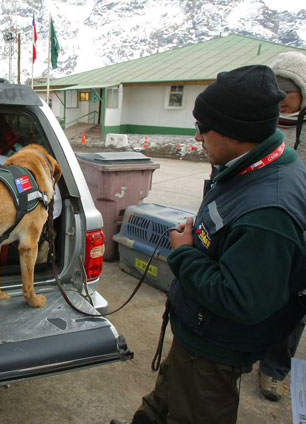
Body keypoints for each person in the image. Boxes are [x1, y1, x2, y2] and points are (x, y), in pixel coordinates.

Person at [111, 65, 306, 424]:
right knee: (162, 401)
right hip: (196, 333)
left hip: (215, 350)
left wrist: (184, 254)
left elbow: (241, 299)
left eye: (202, 127)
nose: (197, 137)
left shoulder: (269, 213)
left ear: (234, 132)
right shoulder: (248, 166)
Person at [257, 51, 306, 401]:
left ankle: (274, 369)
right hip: (263, 222)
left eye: (288, 95)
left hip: (300, 229)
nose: (281, 102)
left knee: (292, 302)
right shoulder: (260, 124)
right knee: (256, 292)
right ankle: (245, 351)